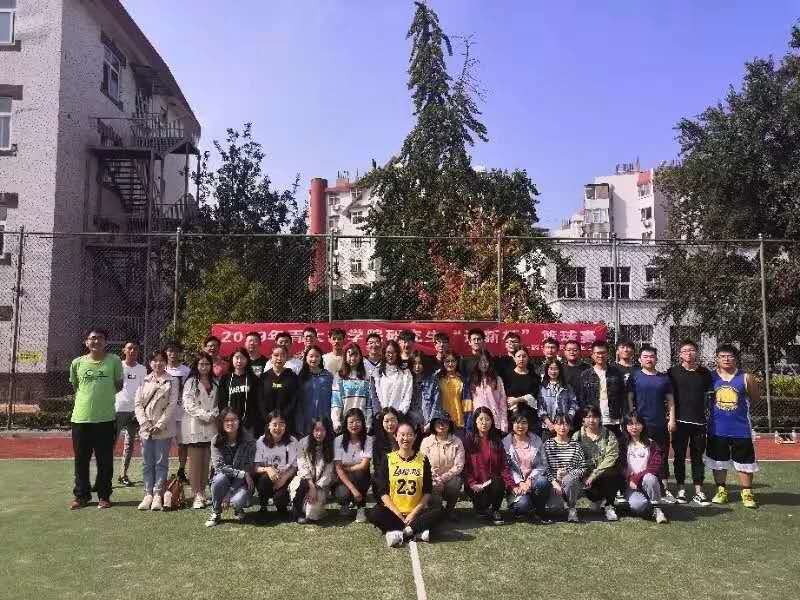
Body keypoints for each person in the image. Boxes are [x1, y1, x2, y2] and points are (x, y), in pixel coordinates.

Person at [69, 328, 124, 510]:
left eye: (100, 338)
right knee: (81, 460)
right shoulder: (77, 363)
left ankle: (104, 495)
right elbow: (76, 386)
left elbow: (118, 385)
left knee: (105, 461)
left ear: (105, 342)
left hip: (105, 420)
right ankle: (81, 496)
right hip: (80, 420)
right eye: (92, 338)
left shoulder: (114, 361)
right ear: (86, 342)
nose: (96, 341)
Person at [368, 421, 442, 547]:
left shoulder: (423, 459)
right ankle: (416, 531)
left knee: (439, 511)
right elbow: (382, 492)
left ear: (415, 437)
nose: (405, 438)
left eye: (409, 435)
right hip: (394, 512)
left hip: (416, 512)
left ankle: (400, 532)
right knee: (374, 513)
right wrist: (397, 513)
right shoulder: (388, 458)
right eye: (402, 435)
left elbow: (427, 491)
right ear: (396, 436)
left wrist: (413, 514)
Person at [705, 344, 760, 509]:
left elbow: (755, 397)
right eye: (722, 356)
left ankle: (747, 493)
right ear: (717, 359)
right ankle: (721, 491)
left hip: (741, 429)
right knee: (718, 462)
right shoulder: (710, 377)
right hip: (717, 428)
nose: (726, 359)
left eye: (730, 356)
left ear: (736, 359)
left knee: (745, 462)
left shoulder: (746, 377)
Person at [668, 339, 713, 505]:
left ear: (697, 353)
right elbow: (668, 398)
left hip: (699, 423)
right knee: (679, 457)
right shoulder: (672, 372)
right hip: (679, 422)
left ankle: (699, 491)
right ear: (680, 354)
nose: (689, 353)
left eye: (692, 350)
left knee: (697, 457)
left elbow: (710, 398)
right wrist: (671, 418)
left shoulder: (705, 373)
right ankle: (681, 489)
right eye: (685, 350)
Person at [629, 345, 676, 502]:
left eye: (651, 356)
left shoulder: (664, 378)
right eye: (645, 356)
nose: (649, 359)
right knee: (641, 456)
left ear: (656, 359)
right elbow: (630, 398)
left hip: (659, 424)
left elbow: (670, 401)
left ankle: (664, 488)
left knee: (661, 455)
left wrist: (671, 419)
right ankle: (639, 485)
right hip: (640, 425)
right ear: (640, 359)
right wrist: (632, 420)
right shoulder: (635, 376)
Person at [135, 350, 179, 511]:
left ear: (166, 362)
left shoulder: (172, 381)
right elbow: (138, 404)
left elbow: (172, 405)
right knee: (147, 463)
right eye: (154, 360)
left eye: (161, 360)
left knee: (161, 463)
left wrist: (159, 425)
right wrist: (145, 423)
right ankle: (148, 494)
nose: (158, 363)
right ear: (150, 363)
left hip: (163, 429)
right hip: (146, 429)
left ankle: (158, 494)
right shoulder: (144, 380)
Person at [206, 407, 256, 527]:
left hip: (242, 482)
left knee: (237, 500)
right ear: (221, 422)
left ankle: (238, 509)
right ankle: (216, 512)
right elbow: (220, 467)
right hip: (225, 479)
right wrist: (242, 473)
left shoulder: (249, 441)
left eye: (233, 420)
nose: (230, 423)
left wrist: (229, 493)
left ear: (239, 421)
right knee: (219, 478)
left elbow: (247, 467)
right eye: (226, 420)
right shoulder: (216, 440)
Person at [181, 352, 219, 509]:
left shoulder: (215, 382)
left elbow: (219, 402)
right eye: (201, 364)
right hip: (194, 425)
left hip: (211, 426)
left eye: (207, 364)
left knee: (206, 462)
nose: (204, 367)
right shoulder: (191, 382)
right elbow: (188, 404)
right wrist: (205, 415)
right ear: (196, 366)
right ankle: (196, 494)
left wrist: (213, 414)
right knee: (195, 463)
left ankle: (202, 492)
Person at [573, 406, 621, 522]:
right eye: (588, 417)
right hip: (584, 476)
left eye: (595, 417)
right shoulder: (577, 436)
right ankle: (572, 507)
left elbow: (611, 457)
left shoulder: (609, 434)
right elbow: (574, 459)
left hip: (603, 474)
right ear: (583, 419)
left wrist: (593, 475)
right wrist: (584, 475)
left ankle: (609, 505)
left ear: (600, 418)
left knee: (612, 471)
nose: (591, 420)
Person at [575, 341, 629, 439]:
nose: (600, 356)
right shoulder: (585, 375)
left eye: (603, 353)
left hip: (613, 418)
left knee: (613, 444)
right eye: (598, 353)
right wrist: (585, 417)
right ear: (592, 355)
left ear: (608, 354)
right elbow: (582, 399)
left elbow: (623, 396)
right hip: (593, 418)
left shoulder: (616, 373)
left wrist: (624, 416)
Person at [464, 407, 509, 525]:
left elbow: (503, 464)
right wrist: (472, 483)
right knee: (482, 507)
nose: (484, 423)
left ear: (492, 421)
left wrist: (510, 483)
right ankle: (481, 508)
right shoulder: (469, 439)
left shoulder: (496, 440)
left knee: (499, 481)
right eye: (481, 419)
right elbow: (465, 465)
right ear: (475, 421)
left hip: (492, 483)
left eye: (487, 419)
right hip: (475, 484)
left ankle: (495, 510)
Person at [621, 411, 668, 523]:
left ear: (643, 425)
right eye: (630, 424)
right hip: (630, 486)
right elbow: (619, 466)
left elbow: (654, 467)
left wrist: (635, 478)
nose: (634, 427)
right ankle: (649, 505)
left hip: (646, 482)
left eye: (637, 424)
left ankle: (657, 508)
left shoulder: (651, 444)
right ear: (626, 426)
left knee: (649, 477)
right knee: (638, 505)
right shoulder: (622, 444)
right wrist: (628, 478)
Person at [502, 412, 550, 520]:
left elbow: (542, 464)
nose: (520, 426)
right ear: (512, 424)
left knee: (543, 482)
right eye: (517, 422)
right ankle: (524, 506)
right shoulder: (505, 443)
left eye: (524, 422)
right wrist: (520, 482)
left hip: (534, 481)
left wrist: (530, 479)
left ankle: (539, 510)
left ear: (528, 424)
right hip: (516, 484)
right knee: (523, 506)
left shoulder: (536, 440)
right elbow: (507, 468)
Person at [289, 417, 336, 524]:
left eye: (322, 430)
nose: (319, 434)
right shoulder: (303, 443)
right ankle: (297, 509)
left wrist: (316, 487)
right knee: (299, 489)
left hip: (321, 484)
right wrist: (311, 486)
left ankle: (308, 508)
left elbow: (329, 472)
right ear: (311, 430)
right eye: (316, 430)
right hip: (305, 480)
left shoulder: (332, 445)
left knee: (311, 512)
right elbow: (302, 466)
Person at [420, 412, 464, 519]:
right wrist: (435, 478)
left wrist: (443, 478)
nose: (441, 425)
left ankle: (449, 510)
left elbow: (459, 465)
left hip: (449, 478)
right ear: (433, 424)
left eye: (445, 422)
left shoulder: (457, 441)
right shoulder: (426, 441)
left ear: (450, 425)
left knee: (456, 482)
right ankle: (436, 511)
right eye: (438, 422)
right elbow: (423, 463)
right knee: (430, 485)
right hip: (432, 478)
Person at [253, 410, 298, 517]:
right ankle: (263, 505)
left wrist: (284, 478)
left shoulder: (292, 441)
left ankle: (282, 507)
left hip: (285, 477)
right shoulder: (261, 441)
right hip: (267, 478)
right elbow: (255, 467)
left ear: (286, 426)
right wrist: (268, 469)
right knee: (264, 479)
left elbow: (295, 466)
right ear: (268, 426)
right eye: (275, 424)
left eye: (282, 424)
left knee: (280, 499)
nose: (278, 428)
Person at [542, 415, 586, 523]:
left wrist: (568, 473)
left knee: (570, 479)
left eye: (566, 424)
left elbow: (582, 467)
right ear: (554, 426)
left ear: (570, 427)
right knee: (555, 508)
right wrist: (555, 481)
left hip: (571, 483)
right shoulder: (547, 445)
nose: (562, 427)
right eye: (559, 424)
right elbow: (543, 468)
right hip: (554, 483)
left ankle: (572, 508)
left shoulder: (576, 445)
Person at [115, 340, 146, 487]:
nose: (132, 351)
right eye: (129, 348)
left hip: (135, 412)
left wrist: (139, 409)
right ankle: (104, 476)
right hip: (117, 410)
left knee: (129, 444)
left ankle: (123, 474)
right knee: (110, 444)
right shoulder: (117, 367)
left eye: (135, 349)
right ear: (124, 350)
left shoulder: (142, 369)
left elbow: (143, 390)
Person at [334, 408, 373, 523]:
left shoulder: (368, 440)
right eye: (351, 422)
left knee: (360, 474)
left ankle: (361, 507)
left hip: (360, 476)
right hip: (343, 477)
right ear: (346, 424)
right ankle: (345, 504)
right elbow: (338, 468)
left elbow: (364, 465)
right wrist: (353, 489)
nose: (354, 425)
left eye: (357, 421)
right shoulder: (338, 440)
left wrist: (347, 468)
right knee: (342, 493)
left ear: (363, 422)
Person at [217, 347, 260, 437]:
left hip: (248, 424)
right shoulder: (225, 379)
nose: (239, 361)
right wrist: (226, 418)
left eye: (242, 358)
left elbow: (258, 402)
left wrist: (252, 419)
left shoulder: (253, 379)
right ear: (232, 359)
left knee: (248, 445)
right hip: (230, 422)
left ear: (247, 360)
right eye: (237, 358)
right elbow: (221, 402)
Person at [259, 345, 301, 436]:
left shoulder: (292, 377)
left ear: (286, 357)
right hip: (268, 423)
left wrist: (282, 417)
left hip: (287, 422)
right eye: (276, 355)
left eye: (283, 355)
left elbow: (294, 399)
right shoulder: (264, 377)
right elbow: (260, 401)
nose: (279, 358)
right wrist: (268, 418)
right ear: (271, 357)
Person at [165, 341, 191, 484]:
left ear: (179, 353)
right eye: (170, 351)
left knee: (182, 444)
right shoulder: (162, 368)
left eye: (175, 351)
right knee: (165, 444)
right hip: (166, 414)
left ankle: (181, 470)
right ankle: (164, 471)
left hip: (182, 412)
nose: (172, 354)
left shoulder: (186, 371)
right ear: (166, 352)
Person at [331, 342, 372, 433]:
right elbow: (336, 402)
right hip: (345, 423)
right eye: (350, 355)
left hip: (362, 423)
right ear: (345, 357)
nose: (353, 358)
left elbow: (369, 403)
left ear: (360, 357)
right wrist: (336, 421)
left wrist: (368, 422)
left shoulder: (366, 376)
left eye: (356, 355)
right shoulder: (339, 376)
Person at [296, 345, 333, 438]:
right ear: (306, 358)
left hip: (324, 417)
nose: (314, 359)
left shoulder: (328, 376)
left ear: (321, 358)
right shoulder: (301, 377)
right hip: (306, 419)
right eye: (311, 356)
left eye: (317, 356)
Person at [369, 340, 414, 417]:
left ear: (397, 353)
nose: (390, 355)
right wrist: (380, 414)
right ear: (384, 353)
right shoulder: (376, 372)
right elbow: (374, 396)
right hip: (382, 416)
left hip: (399, 416)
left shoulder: (406, 373)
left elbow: (407, 395)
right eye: (388, 352)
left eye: (393, 352)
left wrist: (400, 413)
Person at [467, 351, 508, 433]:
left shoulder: (497, 379)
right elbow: (469, 403)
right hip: (478, 421)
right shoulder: (472, 380)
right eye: (481, 362)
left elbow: (502, 404)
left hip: (494, 421)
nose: (484, 364)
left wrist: (504, 425)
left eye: (486, 361)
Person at [538, 359, 578, 440]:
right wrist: (548, 423)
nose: (553, 372)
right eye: (551, 369)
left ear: (560, 370)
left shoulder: (567, 387)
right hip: (548, 428)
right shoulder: (542, 387)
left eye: (556, 369)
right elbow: (540, 406)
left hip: (565, 427)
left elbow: (574, 404)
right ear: (547, 370)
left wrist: (568, 419)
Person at [503, 345, 540, 432]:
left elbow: (534, 395)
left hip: (529, 416)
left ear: (528, 358)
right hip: (511, 415)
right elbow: (503, 394)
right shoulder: (506, 376)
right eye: (518, 356)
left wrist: (517, 400)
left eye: (524, 356)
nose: (521, 359)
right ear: (514, 358)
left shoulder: (534, 377)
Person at [438, 351, 470, 433]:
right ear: (443, 363)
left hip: (459, 422)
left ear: (457, 362)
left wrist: (468, 423)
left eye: (453, 361)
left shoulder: (462, 380)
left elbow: (467, 404)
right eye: (447, 361)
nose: (450, 364)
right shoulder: (438, 379)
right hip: (442, 421)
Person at [409, 350, 441, 431]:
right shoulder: (407, 380)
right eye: (414, 364)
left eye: (420, 363)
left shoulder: (432, 380)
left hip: (428, 423)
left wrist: (431, 423)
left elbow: (436, 403)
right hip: (411, 423)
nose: (417, 367)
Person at [372, 406, 401, 471]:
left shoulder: (405, 438)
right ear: (382, 423)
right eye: (386, 421)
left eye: (393, 420)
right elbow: (377, 467)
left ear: (398, 421)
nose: (390, 423)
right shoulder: (377, 443)